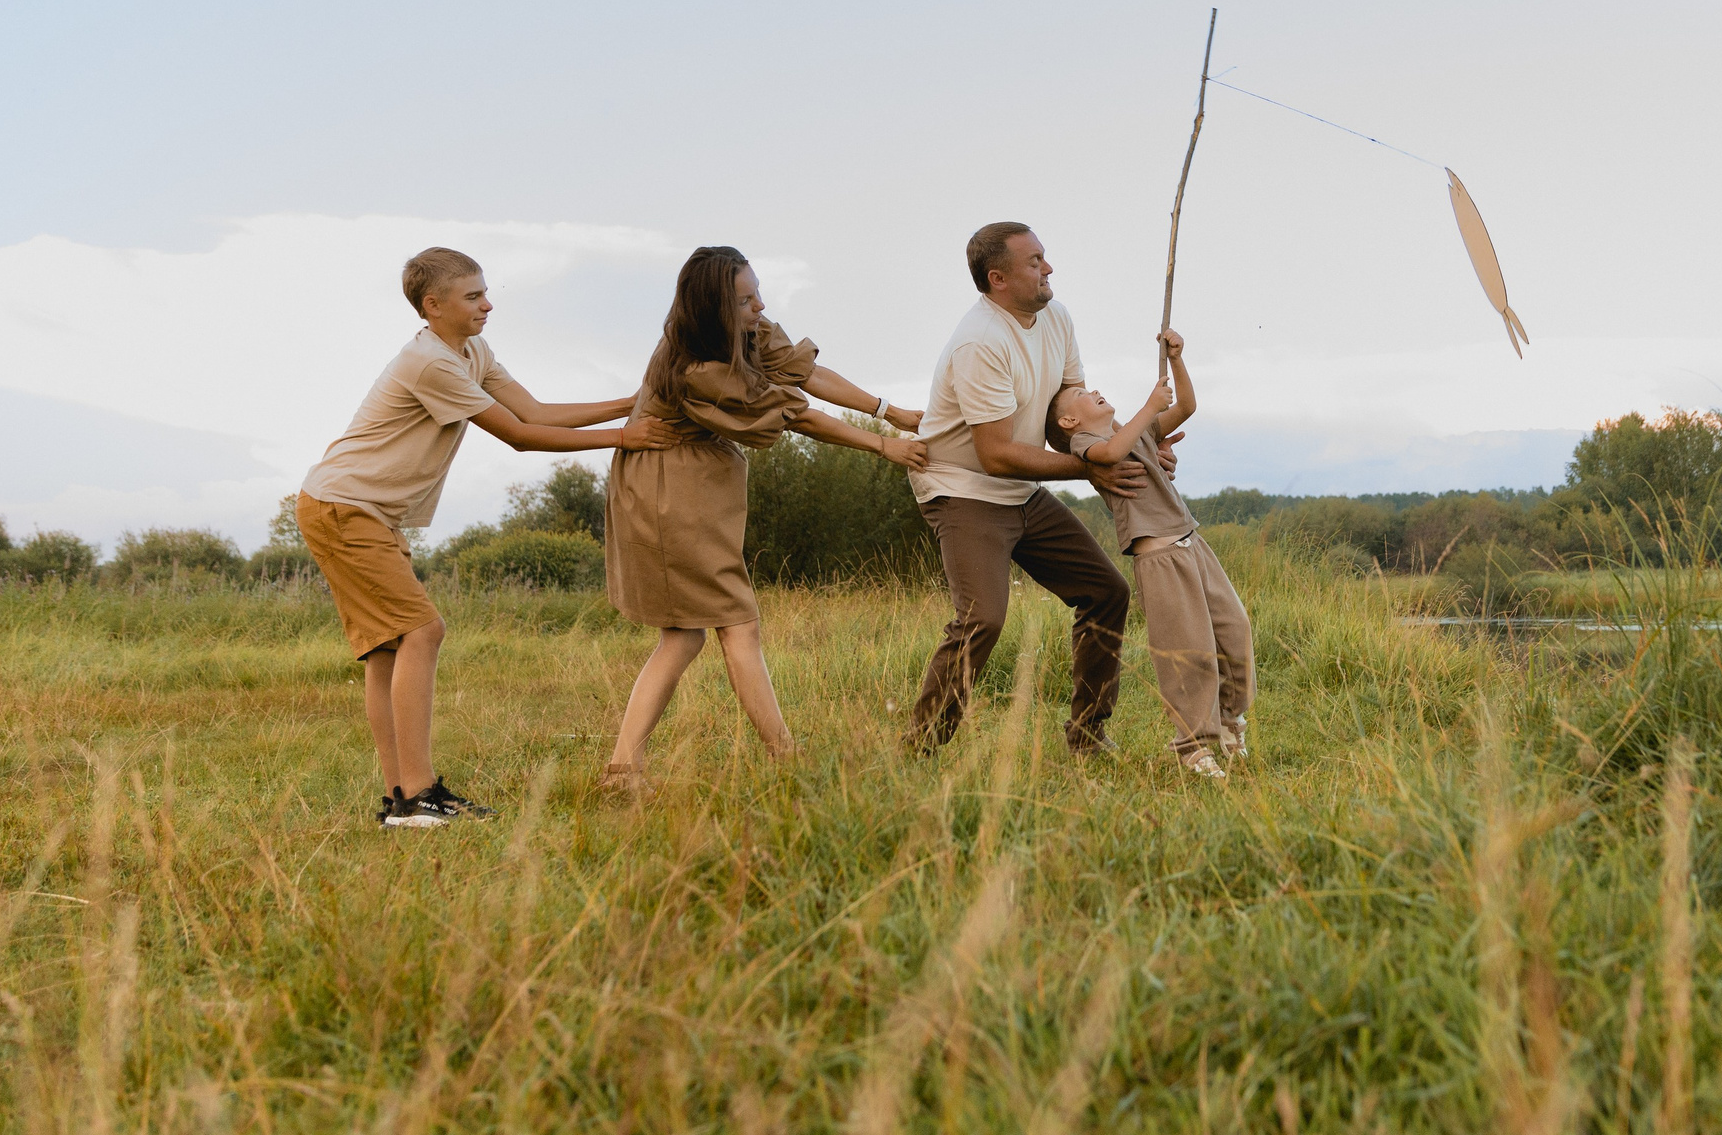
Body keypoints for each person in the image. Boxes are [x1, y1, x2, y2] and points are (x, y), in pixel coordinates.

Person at [298, 247, 678, 829]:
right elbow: (520, 436)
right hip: (345, 507)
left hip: (364, 511)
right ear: (434, 305)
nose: (488, 304)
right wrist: (624, 438)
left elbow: (535, 410)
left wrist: (633, 403)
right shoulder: (431, 363)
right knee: (423, 632)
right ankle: (420, 794)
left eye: (484, 292)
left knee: (386, 650)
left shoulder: (471, 351)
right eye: (473, 296)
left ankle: (402, 801)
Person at [602, 246, 928, 786]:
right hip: (665, 489)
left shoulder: (748, 328)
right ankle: (786, 758)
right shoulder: (695, 367)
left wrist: (888, 409)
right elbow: (797, 415)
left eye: (757, 292)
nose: (759, 306)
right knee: (738, 623)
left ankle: (622, 769)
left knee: (684, 636)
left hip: (693, 483)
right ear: (712, 307)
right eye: (745, 299)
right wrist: (882, 446)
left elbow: (807, 375)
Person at [906, 222, 1170, 756]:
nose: (1049, 269)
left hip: (1021, 489)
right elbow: (996, 454)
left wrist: (1126, 447)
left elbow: (1065, 415)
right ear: (998, 278)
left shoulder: (1057, 317)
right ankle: (919, 750)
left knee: (1106, 592)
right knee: (982, 618)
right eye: (1035, 262)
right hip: (964, 489)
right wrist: (1090, 472)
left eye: (1045, 257)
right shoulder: (979, 342)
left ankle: (1088, 738)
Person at [1046, 329, 1253, 778]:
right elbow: (1112, 451)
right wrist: (1147, 409)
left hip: (1193, 543)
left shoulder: (1131, 431)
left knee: (1234, 628)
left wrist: (1176, 360)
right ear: (1068, 423)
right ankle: (1193, 747)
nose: (1095, 390)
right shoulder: (1088, 446)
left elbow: (1187, 408)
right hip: (1160, 559)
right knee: (1188, 652)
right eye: (1082, 393)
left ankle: (1231, 718)